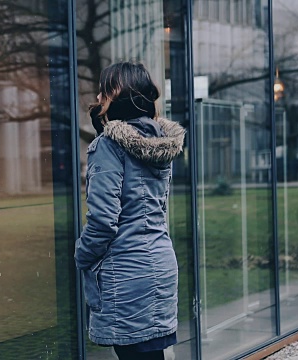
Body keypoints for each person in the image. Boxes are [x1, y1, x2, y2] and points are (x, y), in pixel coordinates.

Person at [75, 61, 185, 360]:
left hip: (127, 273)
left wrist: (81, 256)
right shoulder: (159, 143)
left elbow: (102, 221)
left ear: (116, 96)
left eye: (103, 92)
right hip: (161, 265)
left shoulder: (108, 147)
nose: (98, 99)